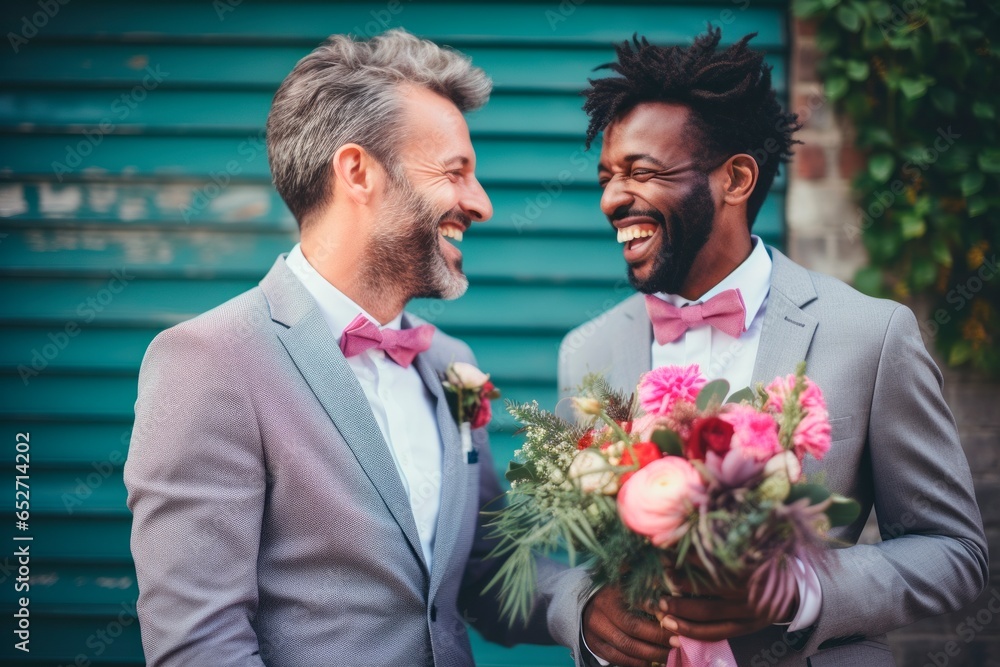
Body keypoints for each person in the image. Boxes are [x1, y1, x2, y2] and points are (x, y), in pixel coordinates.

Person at [125, 29, 637, 666]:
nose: (480, 204)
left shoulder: (451, 362)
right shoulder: (207, 361)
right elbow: (199, 645)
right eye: (455, 172)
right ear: (357, 172)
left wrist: (589, 607)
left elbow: (482, 567)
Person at [560, 29, 988, 667]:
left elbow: (954, 553)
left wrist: (805, 590)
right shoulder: (585, 351)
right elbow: (556, 558)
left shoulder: (870, 334)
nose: (612, 199)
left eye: (642, 172)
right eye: (608, 176)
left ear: (734, 178)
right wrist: (586, 614)